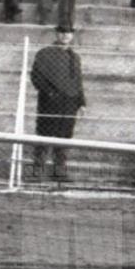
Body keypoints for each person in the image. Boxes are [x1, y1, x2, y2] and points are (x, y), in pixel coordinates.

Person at [30, 27, 86, 182]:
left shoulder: (75, 57)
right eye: (62, 32)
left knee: (65, 137)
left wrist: (81, 102)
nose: (65, 36)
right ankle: (36, 172)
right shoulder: (45, 53)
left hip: (70, 103)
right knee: (44, 136)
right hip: (50, 102)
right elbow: (36, 76)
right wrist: (50, 93)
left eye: (68, 33)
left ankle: (59, 172)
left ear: (72, 35)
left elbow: (78, 81)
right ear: (56, 34)